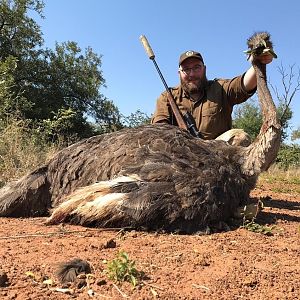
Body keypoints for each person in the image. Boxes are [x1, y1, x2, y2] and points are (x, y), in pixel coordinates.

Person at [151, 50, 273, 146]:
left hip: (216, 154)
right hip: (180, 153)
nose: (192, 74)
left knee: (240, 137)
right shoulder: (167, 97)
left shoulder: (220, 88)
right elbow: (158, 131)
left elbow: (244, 84)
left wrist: (257, 63)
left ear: (204, 69)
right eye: (186, 69)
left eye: (196, 67)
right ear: (179, 73)